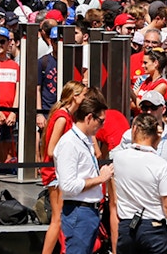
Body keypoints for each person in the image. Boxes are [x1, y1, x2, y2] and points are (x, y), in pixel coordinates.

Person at [109, 113, 167, 254]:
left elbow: (114, 200)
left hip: (127, 225)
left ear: (134, 129)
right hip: (153, 227)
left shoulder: (118, 159)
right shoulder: (161, 165)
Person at [53, 94, 114, 254]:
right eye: (100, 121)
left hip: (87, 211)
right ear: (89, 118)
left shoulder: (84, 140)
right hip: (79, 211)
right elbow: (67, 186)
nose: (102, 126)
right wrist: (100, 179)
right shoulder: (70, 143)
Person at [40, 80, 87, 254]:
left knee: (61, 218)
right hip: (55, 174)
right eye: (83, 95)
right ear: (75, 97)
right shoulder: (62, 117)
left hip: (59, 173)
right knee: (58, 218)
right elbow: (51, 149)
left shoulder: (66, 116)